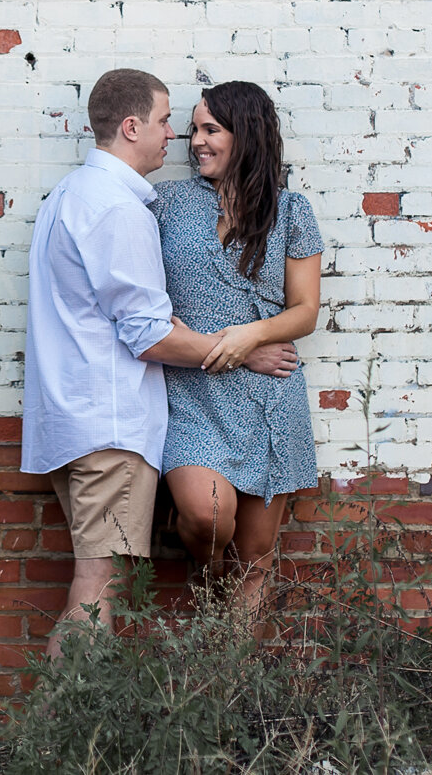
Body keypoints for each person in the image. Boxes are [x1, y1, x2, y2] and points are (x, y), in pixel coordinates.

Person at [22, 68, 300, 654]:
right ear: (131, 127)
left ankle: (75, 727)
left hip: (75, 419)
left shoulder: (69, 197)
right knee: (98, 585)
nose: (176, 137)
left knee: (103, 580)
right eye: (167, 121)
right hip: (110, 426)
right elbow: (150, 335)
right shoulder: (122, 211)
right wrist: (243, 353)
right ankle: (61, 733)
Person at [154, 80, 323, 609]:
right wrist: (231, 348)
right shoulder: (166, 204)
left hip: (270, 397)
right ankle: (209, 578)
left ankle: (230, 674)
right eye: (193, 131)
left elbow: (305, 310)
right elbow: (144, 306)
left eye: (211, 130)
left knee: (256, 556)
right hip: (193, 393)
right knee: (207, 518)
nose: (197, 141)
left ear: (246, 135)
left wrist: (253, 333)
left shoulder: (292, 211)